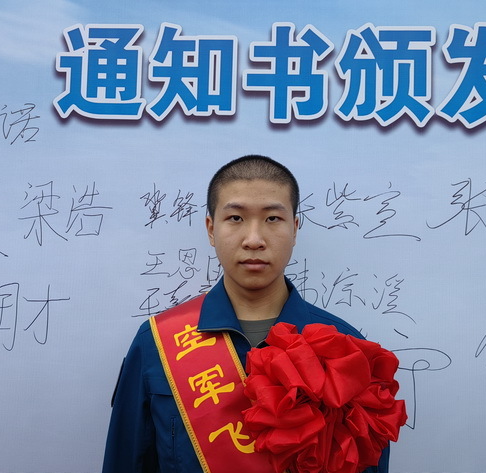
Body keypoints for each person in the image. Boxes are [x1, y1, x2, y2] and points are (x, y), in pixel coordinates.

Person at [102, 155, 398, 473]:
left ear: (294, 229)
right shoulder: (157, 342)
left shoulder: (346, 348)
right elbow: (126, 461)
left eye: (272, 218)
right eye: (235, 218)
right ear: (211, 229)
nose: (254, 240)